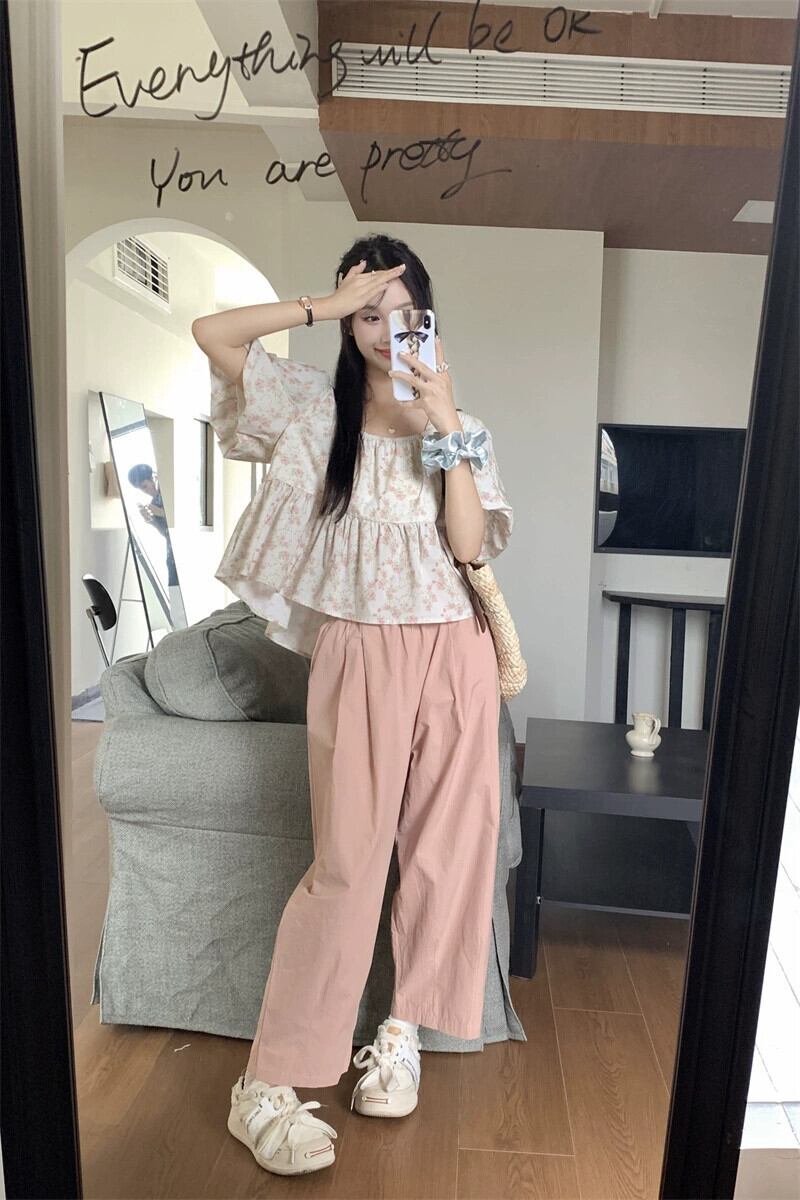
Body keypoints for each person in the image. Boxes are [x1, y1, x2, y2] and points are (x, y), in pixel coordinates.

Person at [192, 233, 514, 1177]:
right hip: (362, 650)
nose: (383, 330)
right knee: (347, 864)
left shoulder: (459, 420)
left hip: (456, 649)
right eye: (367, 312)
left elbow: (469, 544)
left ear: (428, 317)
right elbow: (212, 332)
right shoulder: (310, 406)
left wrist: (444, 419)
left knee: (449, 851)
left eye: (400, 311)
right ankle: (268, 1083)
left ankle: (401, 1032)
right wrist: (322, 307)